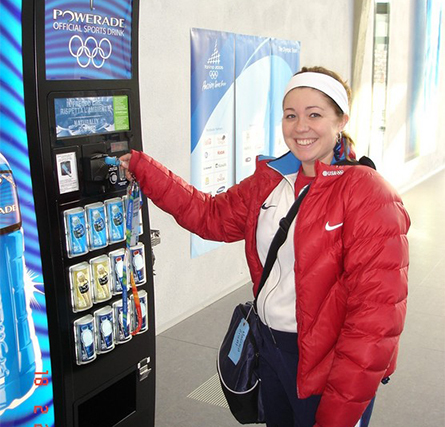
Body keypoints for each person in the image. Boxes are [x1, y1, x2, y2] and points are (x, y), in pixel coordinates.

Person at [119, 66, 410, 427]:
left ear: (341, 119)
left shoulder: (367, 193)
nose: (300, 126)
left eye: (314, 114)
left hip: (328, 362)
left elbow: (375, 319)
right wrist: (143, 168)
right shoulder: (270, 181)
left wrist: (340, 412)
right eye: (291, 115)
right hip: (271, 348)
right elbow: (209, 216)